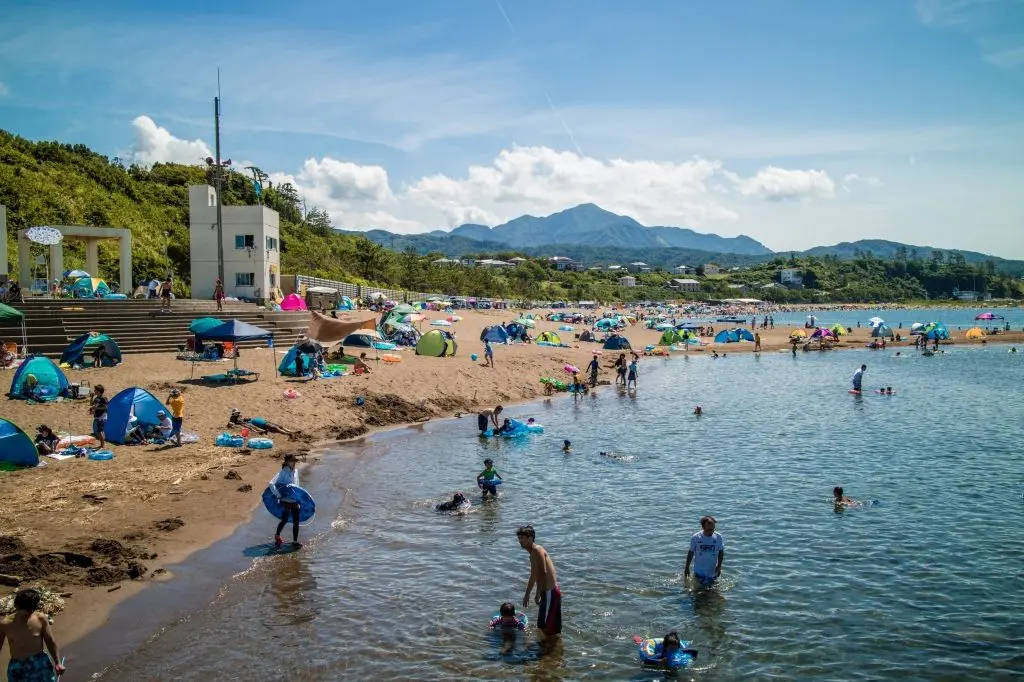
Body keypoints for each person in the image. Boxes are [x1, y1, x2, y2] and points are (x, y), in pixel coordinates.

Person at [0, 588, 65, 682]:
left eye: (27, 612)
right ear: (16, 606)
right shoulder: (5, 624)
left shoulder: (40, 618)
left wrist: (58, 663)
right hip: (18, 666)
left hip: (40, 663)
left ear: (33, 609)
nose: (24, 615)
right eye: (21, 611)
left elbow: (50, 641)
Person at [517, 525, 561, 637]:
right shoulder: (532, 554)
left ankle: (546, 650)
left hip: (549, 592)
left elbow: (543, 572)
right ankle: (550, 649)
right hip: (547, 592)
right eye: (519, 538)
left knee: (543, 626)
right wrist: (527, 594)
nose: (520, 541)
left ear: (531, 538)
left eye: (523, 538)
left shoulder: (537, 550)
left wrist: (537, 594)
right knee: (547, 626)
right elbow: (533, 576)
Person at [270, 454, 302, 549]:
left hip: (294, 500)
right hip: (286, 500)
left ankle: (295, 541)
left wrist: (299, 497)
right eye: (292, 461)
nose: (294, 463)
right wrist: (278, 495)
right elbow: (271, 484)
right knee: (285, 519)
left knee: (296, 521)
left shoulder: (295, 471)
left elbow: (297, 486)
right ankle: (277, 535)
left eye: (294, 461)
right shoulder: (283, 472)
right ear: (287, 462)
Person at [684, 515, 724, 587]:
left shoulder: (718, 537)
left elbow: (721, 552)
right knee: (698, 593)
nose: (711, 532)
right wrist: (687, 568)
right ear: (703, 527)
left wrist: (719, 566)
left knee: (712, 592)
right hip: (699, 571)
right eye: (708, 530)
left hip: (712, 571)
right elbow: (691, 552)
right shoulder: (696, 537)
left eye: (713, 529)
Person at [228, 409, 295, 436]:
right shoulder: (233, 418)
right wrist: (232, 424)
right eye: (235, 413)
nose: (237, 414)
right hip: (247, 424)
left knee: (279, 426)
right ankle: (288, 433)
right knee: (251, 427)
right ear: (233, 414)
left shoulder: (241, 417)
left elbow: (243, 418)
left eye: (237, 413)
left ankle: (291, 431)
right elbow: (230, 423)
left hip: (263, 422)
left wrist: (245, 419)